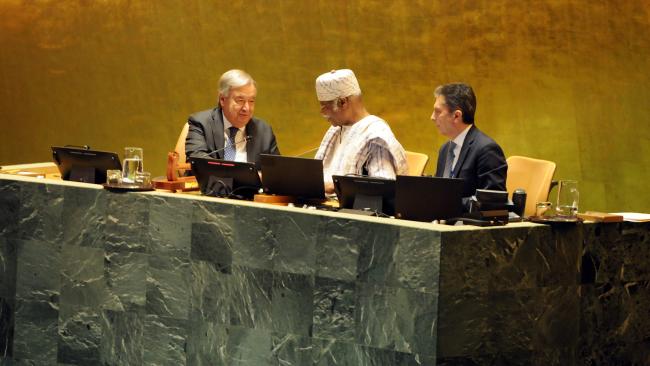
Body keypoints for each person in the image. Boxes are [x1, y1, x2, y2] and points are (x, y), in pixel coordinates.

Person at [314, 69, 408, 193]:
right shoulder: (335, 130)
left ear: (342, 102)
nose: (323, 113)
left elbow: (383, 190)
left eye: (325, 107)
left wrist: (336, 186)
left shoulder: (375, 136)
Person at [431, 82, 507, 206]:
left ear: (456, 116)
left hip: (467, 223)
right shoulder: (445, 150)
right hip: (441, 223)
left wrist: (449, 205)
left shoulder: (487, 149)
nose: (432, 117)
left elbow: (493, 200)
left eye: (437, 111)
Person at [185, 69, 279, 168]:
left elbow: (277, 170)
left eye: (251, 101)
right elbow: (196, 160)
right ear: (222, 99)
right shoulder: (201, 123)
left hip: (252, 184)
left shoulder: (264, 131)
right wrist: (236, 174)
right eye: (240, 100)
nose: (246, 108)